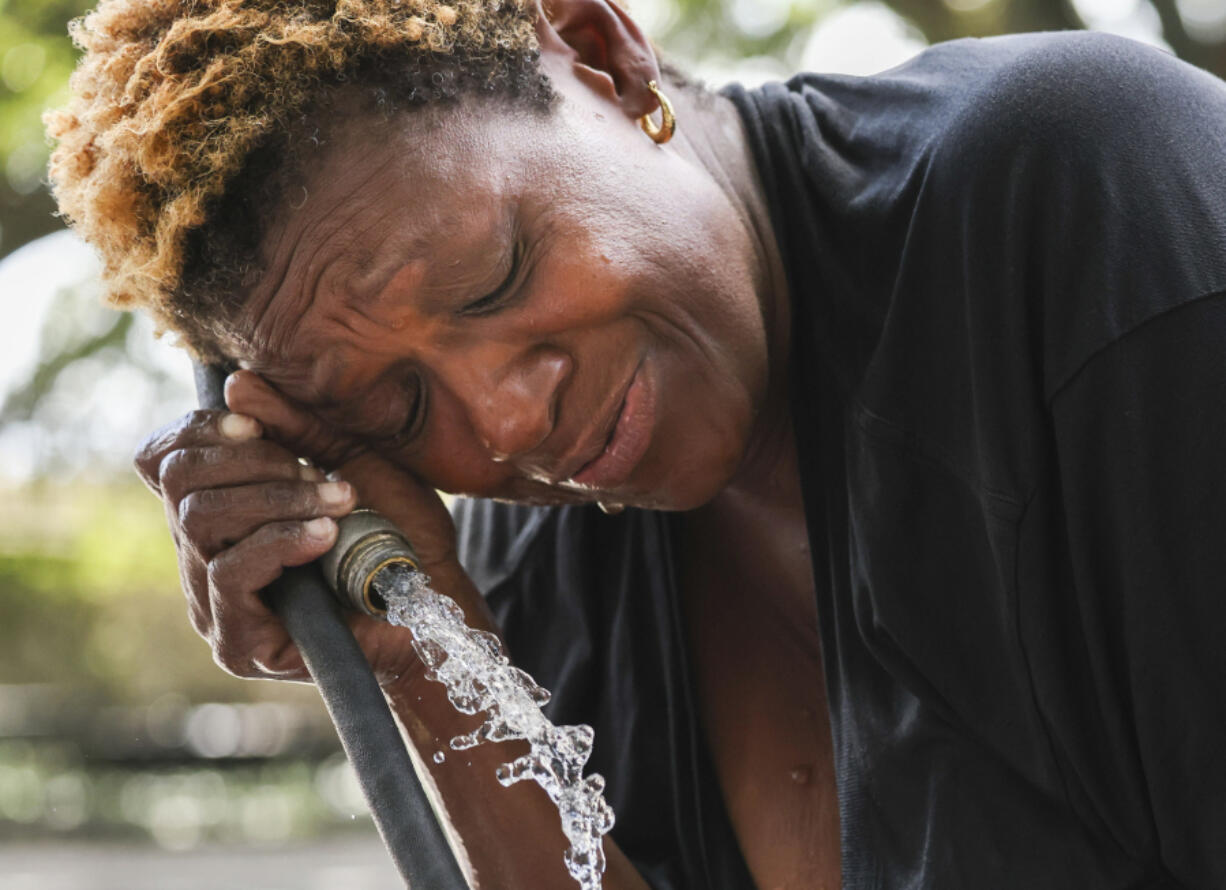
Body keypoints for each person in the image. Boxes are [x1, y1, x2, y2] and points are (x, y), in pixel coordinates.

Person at [45, 0, 1226, 886]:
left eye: (494, 276)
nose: (505, 425)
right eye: (400, 411)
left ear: (602, 55)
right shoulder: (524, 552)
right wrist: (418, 650)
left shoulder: (1082, 201)